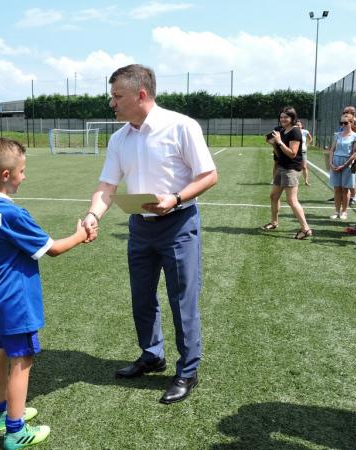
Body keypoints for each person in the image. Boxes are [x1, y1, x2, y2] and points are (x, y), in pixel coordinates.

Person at [82, 64, 218, 404]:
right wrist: (93, 215)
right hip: (140, 227)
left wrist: (175, 199)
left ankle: (188, 370)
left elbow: (208, 175)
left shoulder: (182, 126)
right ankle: (152, 354)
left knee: (182, 300)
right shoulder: (119, 139)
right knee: (142, 297)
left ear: (141, 94)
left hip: (178, 224)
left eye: (117, 96)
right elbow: (107, 185)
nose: (112, 103)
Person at [0, 137, 88, 450]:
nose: (24, 176)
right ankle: (15, 431)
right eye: (22, 171)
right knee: (22, 360)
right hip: (14, 301)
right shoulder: (12, 214)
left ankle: (0, 412)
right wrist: (81, 235)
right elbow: (53, 249)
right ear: (6, 175)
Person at [262, 107, 312, 239]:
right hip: (282, 166)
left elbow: (292, 154)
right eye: (281, 117)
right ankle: (274, 222)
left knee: (291, 200)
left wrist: (279, 141)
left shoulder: (295, 131)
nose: (283, 119)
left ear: (292, 118)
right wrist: (273, 144)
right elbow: (280, 155)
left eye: (286, 117)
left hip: (291, 169)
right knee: (274, 196)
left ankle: (306, 229)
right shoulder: (281, 130)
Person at [328, 113, 356, 220]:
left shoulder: (355, 136)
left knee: (345, 189)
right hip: (335, 162)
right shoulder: (337, 135)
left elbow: (355, 153)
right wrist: (331, 163)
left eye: (345, 123)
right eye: (341, 123)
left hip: (347, 163)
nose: (343, 125)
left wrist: (345, 165)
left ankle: (344, 212)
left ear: (351, 123)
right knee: (337, 189)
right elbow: (332, 150)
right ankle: (336, 211)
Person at [296, 120, 312, 186]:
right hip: (295, 152)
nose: (298, 126)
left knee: (304, 167)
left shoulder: (305, 132)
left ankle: (306, 181)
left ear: (301, 126)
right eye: (296, 125)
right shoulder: (293, 132)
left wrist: (307, 145)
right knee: (296, 166)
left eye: (299, 125)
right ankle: (296, 181)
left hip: (303, 151)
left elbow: (310, 139)